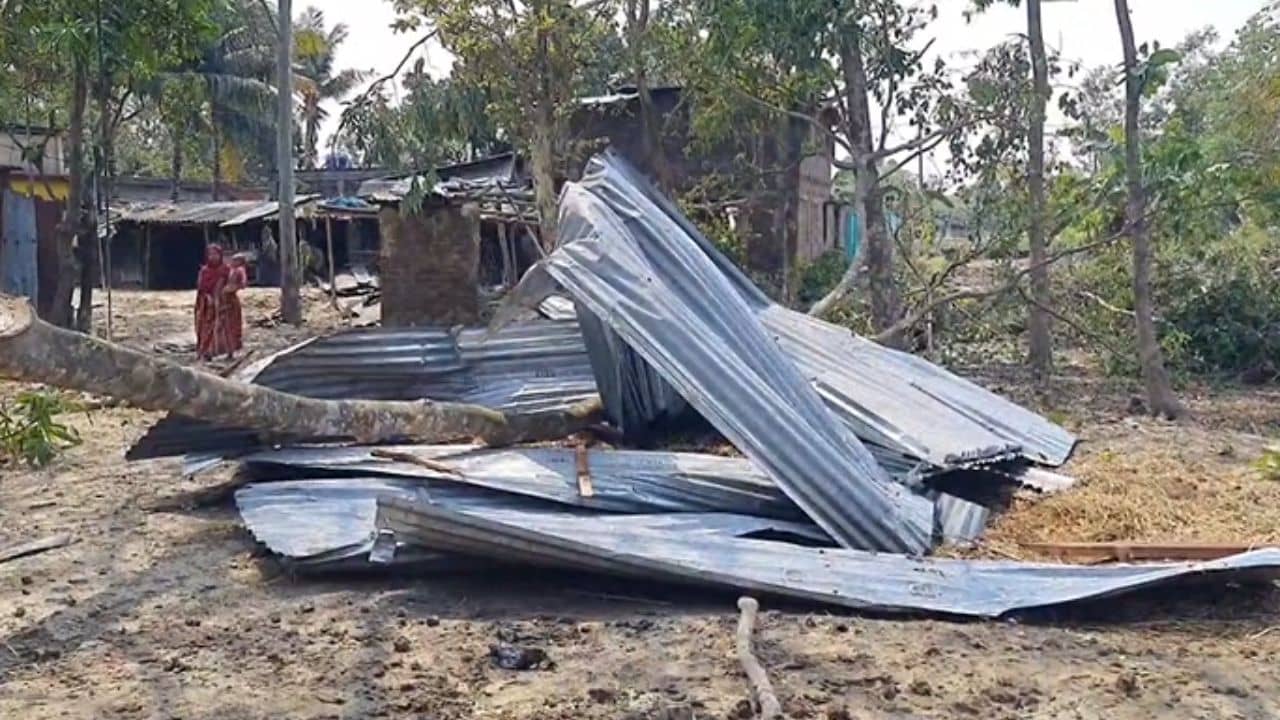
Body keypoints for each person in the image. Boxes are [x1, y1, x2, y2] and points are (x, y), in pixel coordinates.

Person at [195, 244, 229, 361]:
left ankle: (222, 351)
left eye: (216, 254)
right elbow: (201, 286)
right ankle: (205, 351)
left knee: (223, 326)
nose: (213, 257)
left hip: (223, 302)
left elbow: (230, 283)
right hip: (206, 302)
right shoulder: (204, 271)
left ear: (220, 255)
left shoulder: (225, 269)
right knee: (206, 326)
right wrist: (209, 298)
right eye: (210, 254)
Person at [222, 254, 249, 358]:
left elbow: (243, 284)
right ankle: (228, 349)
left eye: (235, 260)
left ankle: (232, 350)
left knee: (232, 324)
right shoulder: (230, 269)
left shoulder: (239, 270)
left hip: (231, 300)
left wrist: (231, 288)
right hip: (224, 300)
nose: (232, 261)